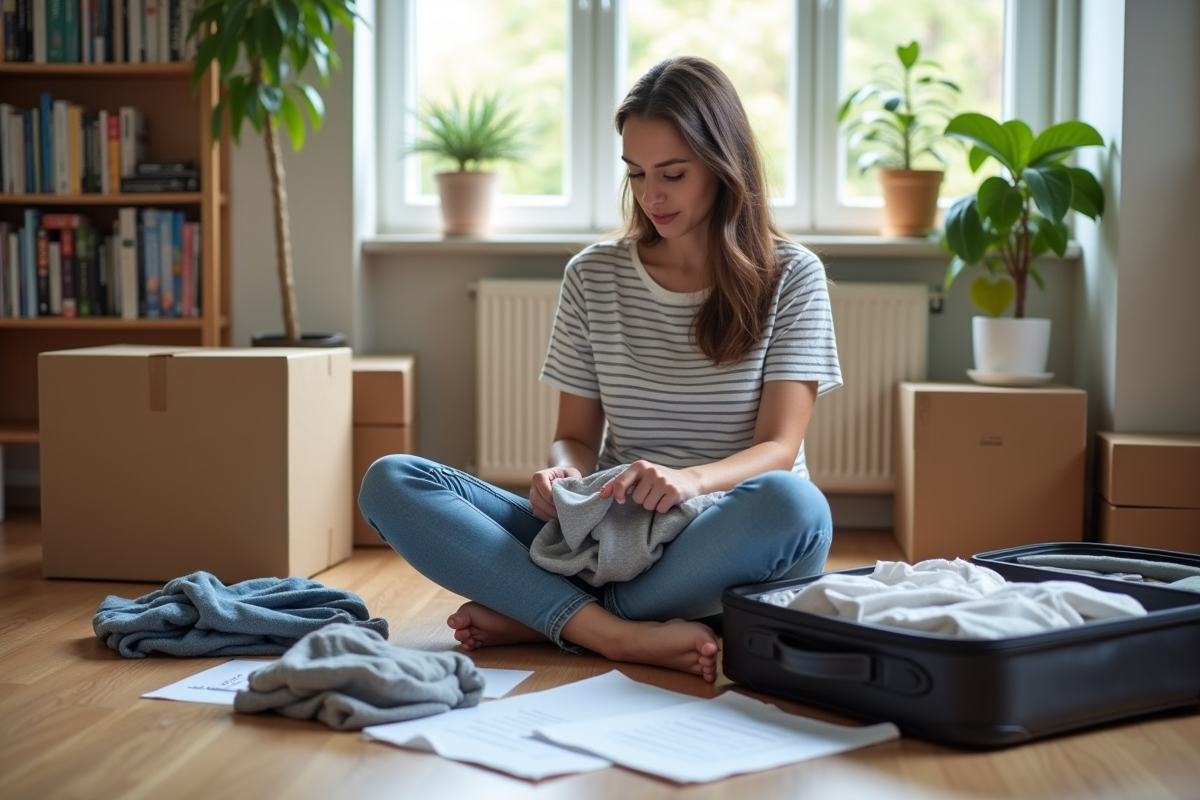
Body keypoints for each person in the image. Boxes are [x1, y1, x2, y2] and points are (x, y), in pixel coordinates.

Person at [359, 56, 842, 683]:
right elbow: (578, 437)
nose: (651, 194)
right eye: (636, 173)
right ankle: (612, 632)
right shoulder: (593, 274)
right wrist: (565, 472)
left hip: (723, 534)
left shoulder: (792, 275)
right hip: (607, 535)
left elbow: (780, 448)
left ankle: (548, 616)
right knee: (392, 479)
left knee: (796, 504)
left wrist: (690, 482)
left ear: (726, 167)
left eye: (672, 173)